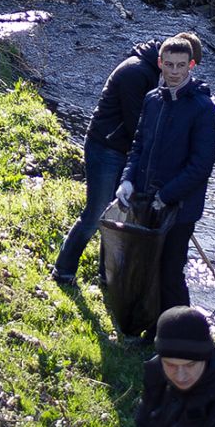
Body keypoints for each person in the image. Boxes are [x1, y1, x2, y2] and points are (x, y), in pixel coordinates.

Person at [115, 35, 215, 316]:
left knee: (171, 273)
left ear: (191, 66)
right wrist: (127, 179)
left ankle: (181, 336)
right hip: (147, 200)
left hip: (181, 209)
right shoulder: (152, 100)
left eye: (181, 66)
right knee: (146, 268)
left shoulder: (204, 109)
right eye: (169, 65)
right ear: (160, 64)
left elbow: (201, 167)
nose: (174, 72)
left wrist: (166, 195)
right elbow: (138, 145)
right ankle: (150, 329)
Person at [50, 39, 162, 286]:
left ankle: (106, 276)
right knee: (96, 214)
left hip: (118, 147)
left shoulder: (149, 71)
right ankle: (63, 270)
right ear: (162, 59)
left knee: (114, 217)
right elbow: (137, 125)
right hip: (106, 148)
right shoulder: (137, 72)